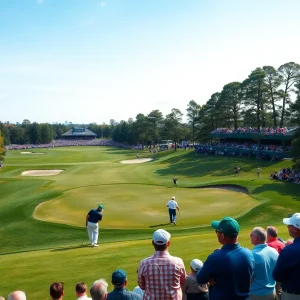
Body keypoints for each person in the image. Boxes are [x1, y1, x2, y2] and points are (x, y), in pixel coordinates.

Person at [196, 216, 255, 300]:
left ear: (222, 236)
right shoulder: (248, 253)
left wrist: (209, 278)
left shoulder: (215, 258)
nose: (217, 234)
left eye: (217, 232)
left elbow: (200, 278)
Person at [138, 229, 186, 299]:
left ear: (153, 243)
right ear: (168, 243)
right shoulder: (178, 262)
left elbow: (142, 286)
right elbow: (182, 282)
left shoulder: (144, 263)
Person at [273, 213, 300, 299]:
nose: (288, 227)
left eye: (290, 225)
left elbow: (277, 276)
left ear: (296, 229)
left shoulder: (289, 250)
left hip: (293, 295)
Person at [249, 227, 278, 300]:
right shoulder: (274, 251)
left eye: (251, 235)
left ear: (256, 238)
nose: (250, 236)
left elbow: (249, 278)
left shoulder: (252, 254)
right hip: (272, 292)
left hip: (257, 295)